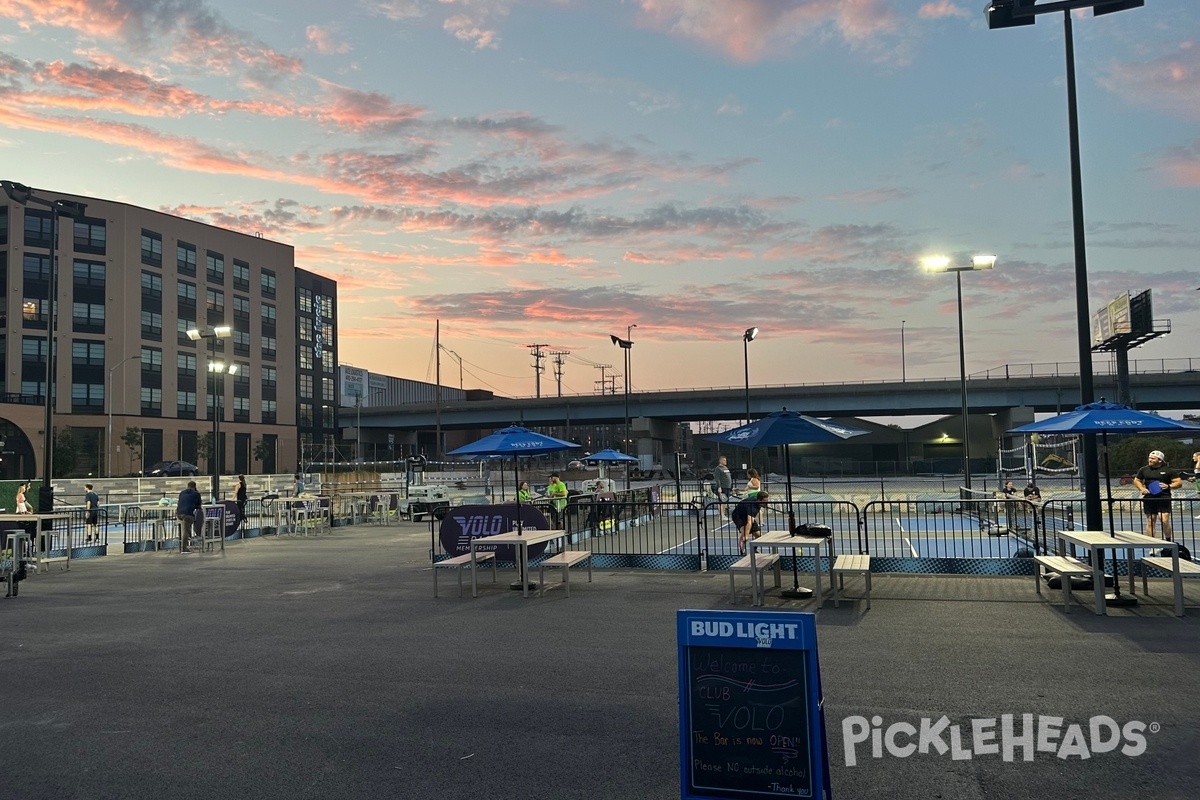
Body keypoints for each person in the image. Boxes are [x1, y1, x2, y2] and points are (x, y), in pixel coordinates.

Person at [1133, 450, 1182, 540]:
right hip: (1149, 498)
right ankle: (1151, 544)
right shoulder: (1144, 470)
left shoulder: (1168, 471)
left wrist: (1168, 486)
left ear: (1160, 460)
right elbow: (1137, 480)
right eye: (1149, 458)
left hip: (1164, 498)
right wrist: (1142, 488)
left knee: (1164, 520)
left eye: (1152, 458)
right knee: (1150, 521)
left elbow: (1178, 483)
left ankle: (1168, 542)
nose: (1150, 460)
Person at [731, 490, 769, 556]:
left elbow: (751, 519)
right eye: (764, 502)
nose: (766, 504)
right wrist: (746, 535)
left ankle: (754, 549)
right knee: (744, 533)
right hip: (738, 516)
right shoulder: (753, 507)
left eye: (767, 502)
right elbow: (749, 522)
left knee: (758, 535)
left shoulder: (757, 501)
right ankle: (742, 552)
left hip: (747, 514)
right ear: (759, 500)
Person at [177, 480, 203, 553]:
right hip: (188, 514)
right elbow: (199, 505)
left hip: (179, 514)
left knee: (186, 526)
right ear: (195, 487)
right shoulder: (196, 494)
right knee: (186, 529)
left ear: (187, 486)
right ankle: (184, 548)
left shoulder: (182, 493)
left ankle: (188, 541)